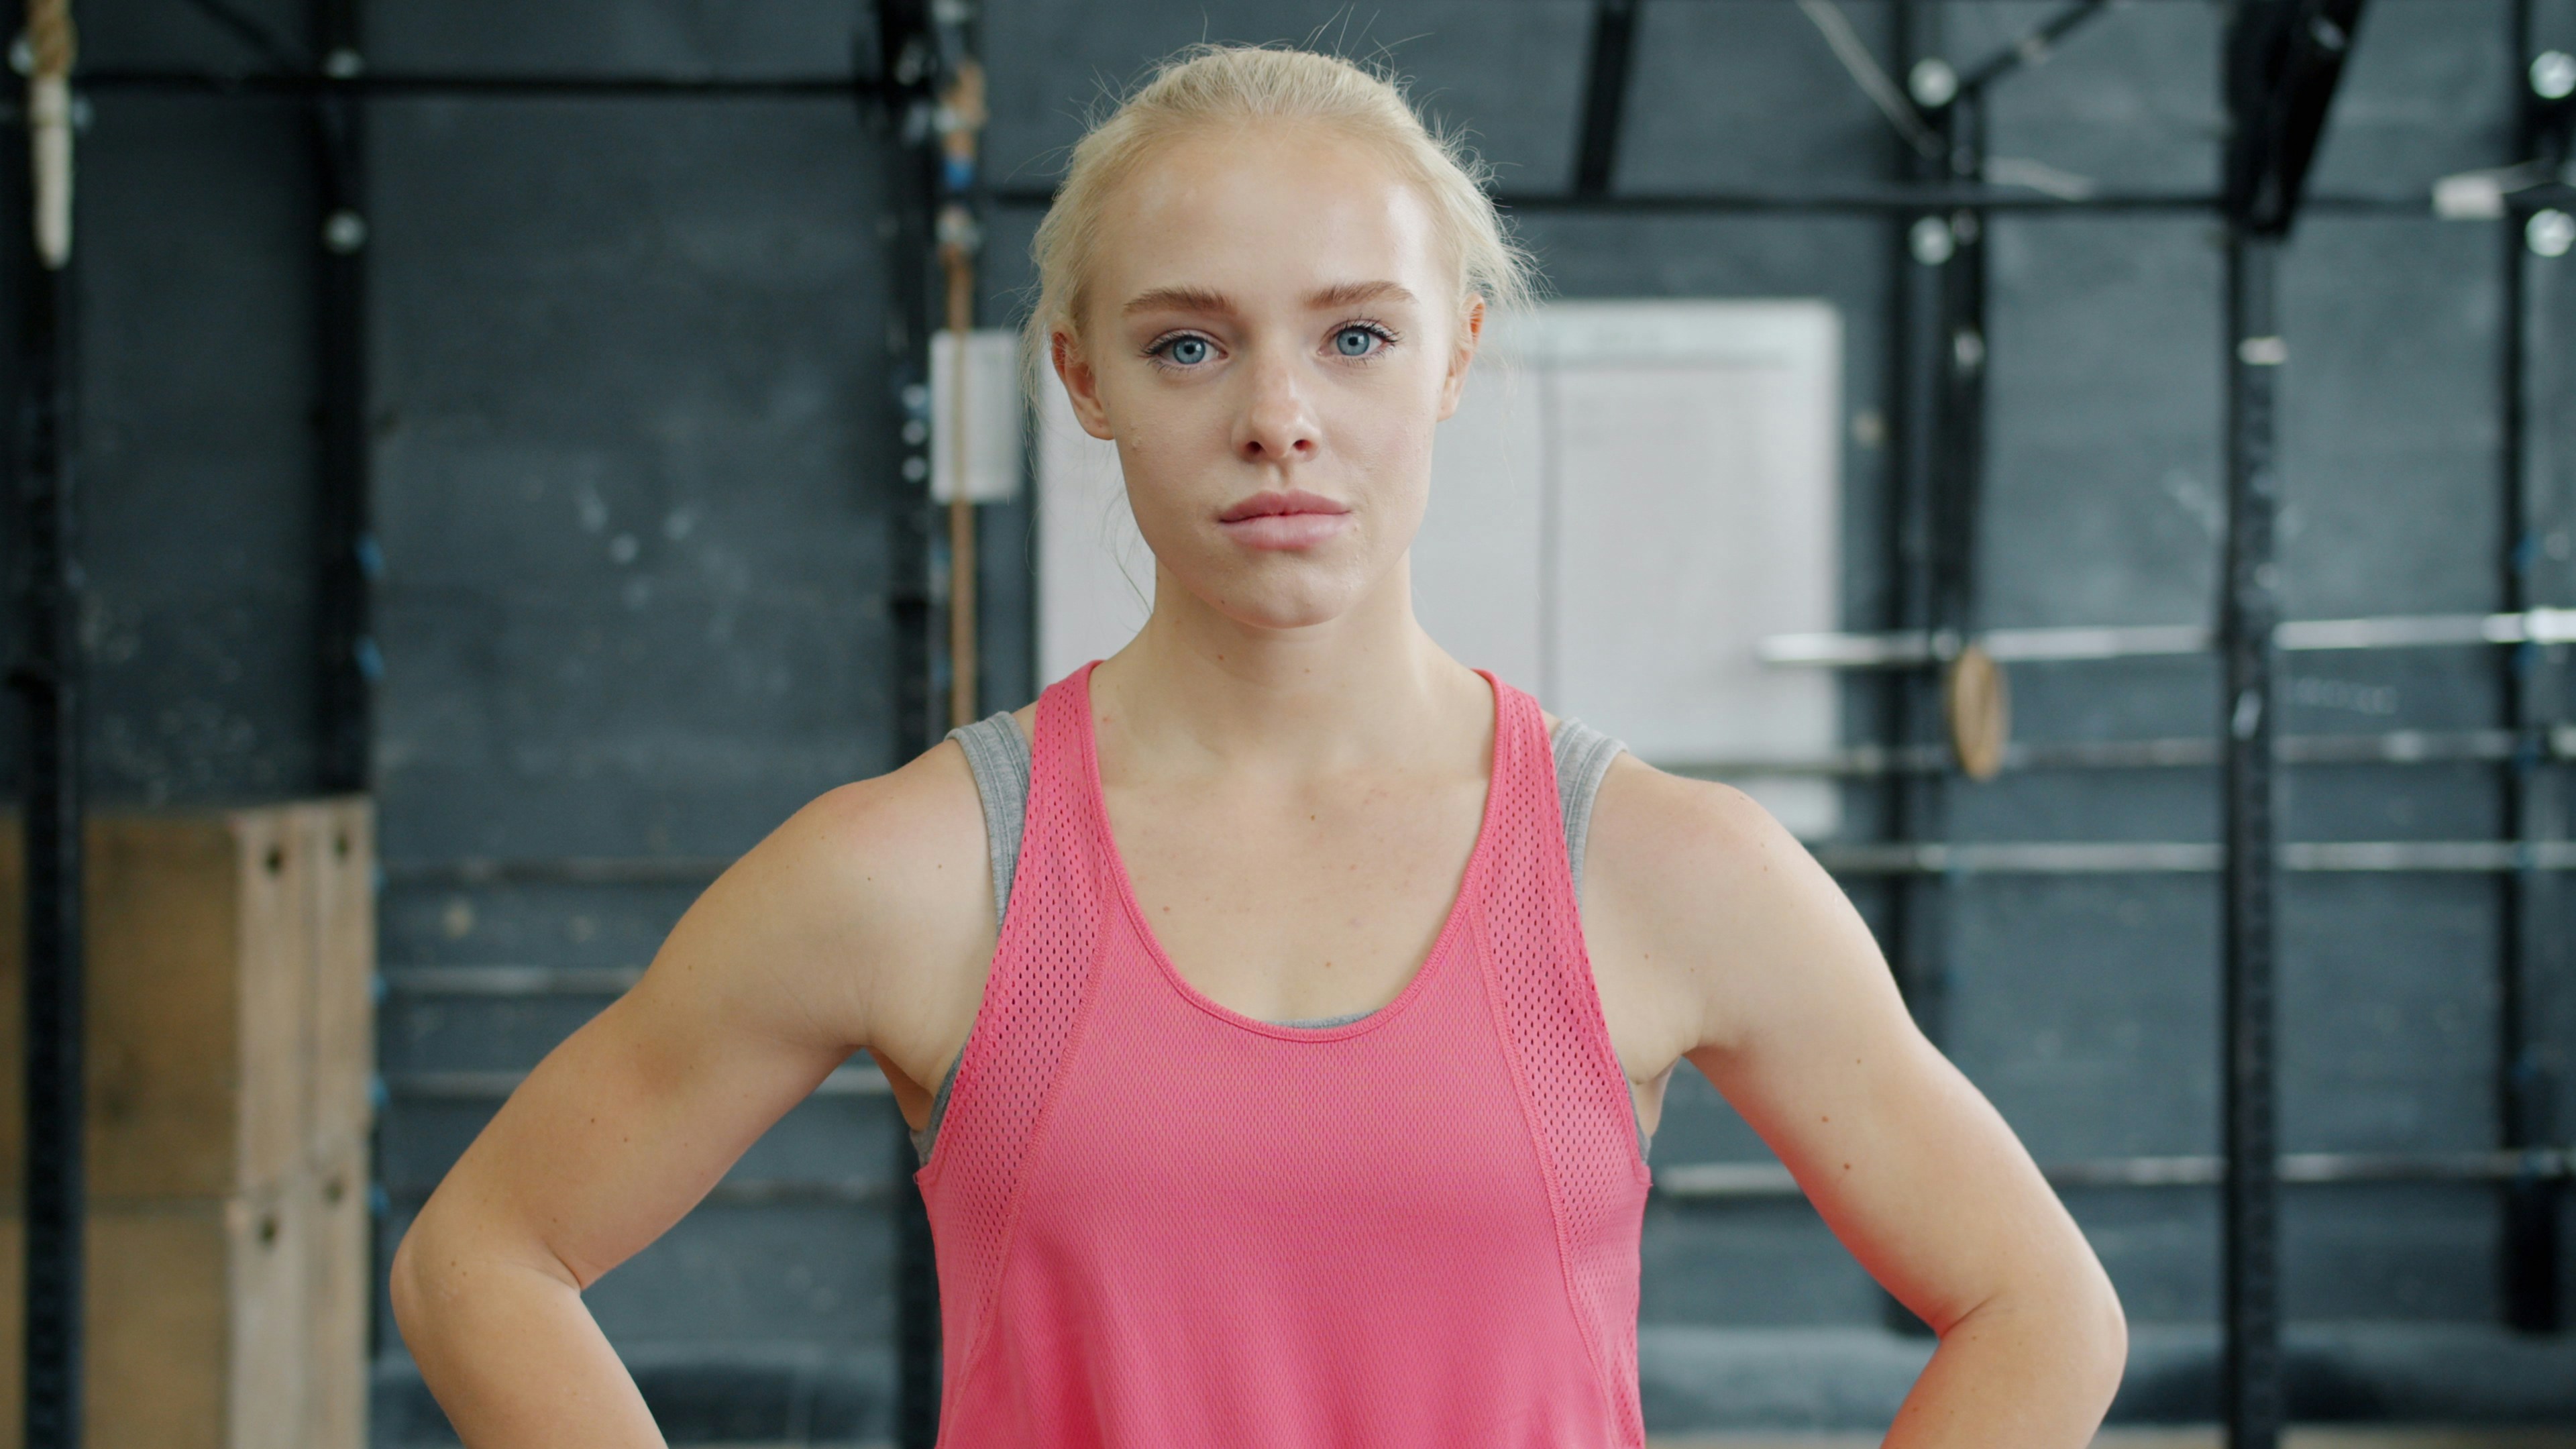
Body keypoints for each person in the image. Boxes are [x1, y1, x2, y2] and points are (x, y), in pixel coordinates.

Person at [390, 42, 2125, 1448]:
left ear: (1456, 355)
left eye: (1356, 333)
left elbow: (2043, 1316)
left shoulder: (1670, 873)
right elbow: (484, 1258)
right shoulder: (921, 873)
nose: (1279, 415)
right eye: (1189, 343)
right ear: (1081, 377)